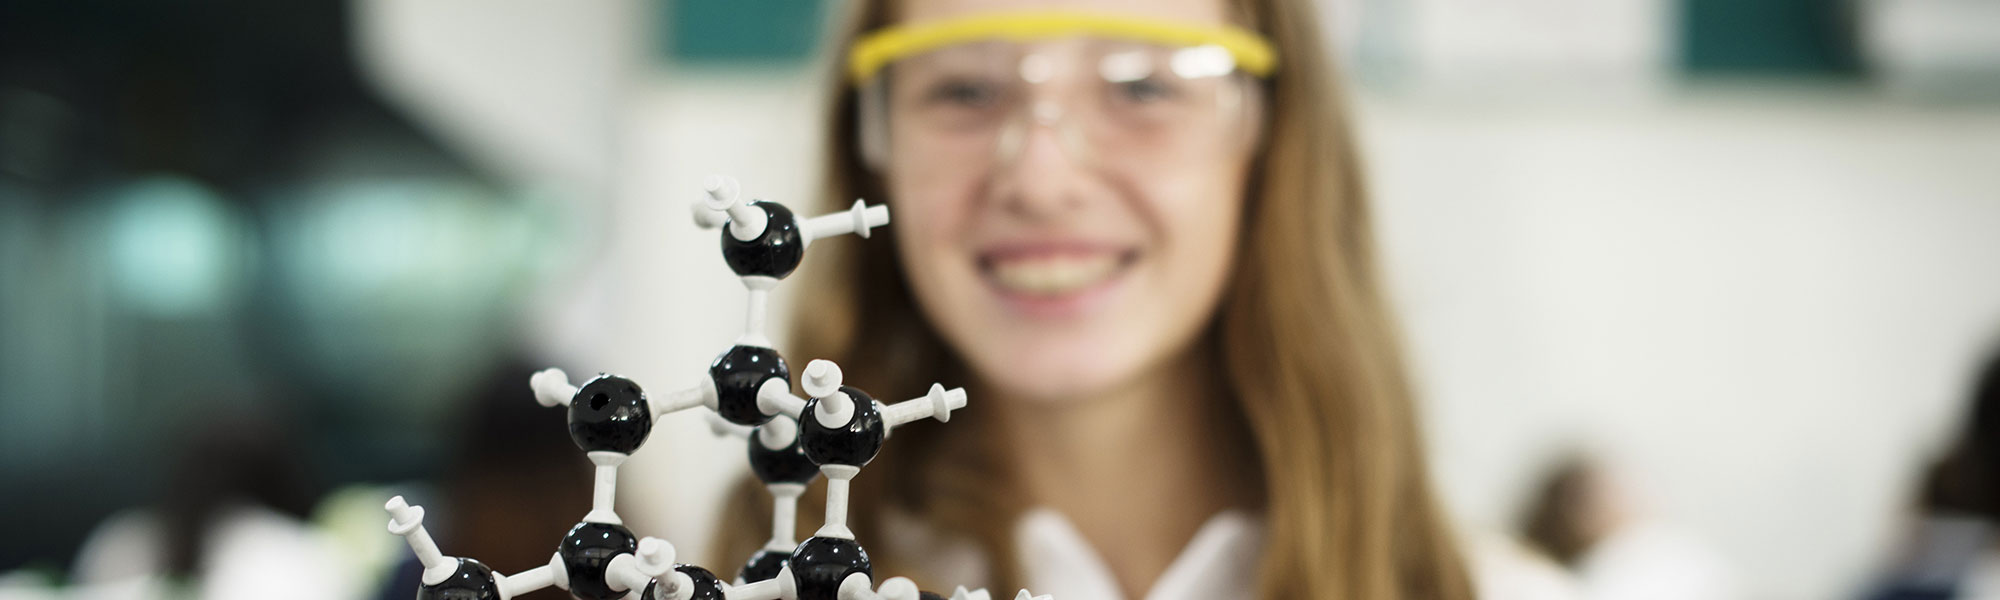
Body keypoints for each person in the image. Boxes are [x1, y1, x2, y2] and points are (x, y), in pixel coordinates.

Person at [712, 0, 1551, 598]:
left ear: (1273, 142)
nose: (1041, 181)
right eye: (964, 91)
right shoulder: (744, 576)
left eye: (1143, 88)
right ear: (871, 147)